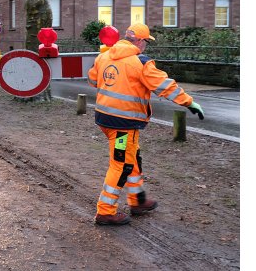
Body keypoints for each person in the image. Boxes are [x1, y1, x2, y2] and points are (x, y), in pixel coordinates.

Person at [87, 23, 204, 225]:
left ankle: (138, 201)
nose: (146, 46)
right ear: (140, 41)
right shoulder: (141, 63)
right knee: (121, 164)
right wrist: (189, 102)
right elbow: (165, 86)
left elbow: (93, 80)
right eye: (146, 42)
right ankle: (105, 211)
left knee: (132, 158)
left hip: (105, 120)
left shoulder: (104, 56)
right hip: (123, 125)